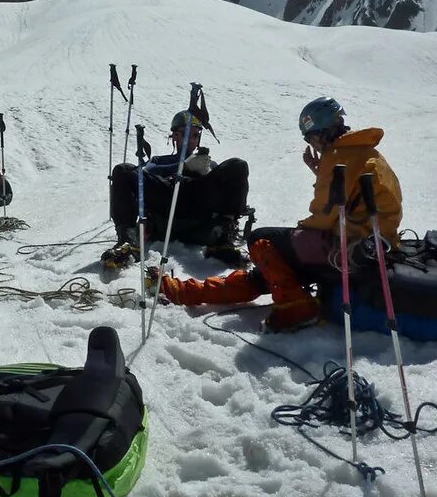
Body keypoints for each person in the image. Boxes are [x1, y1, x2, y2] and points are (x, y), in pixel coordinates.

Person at [152, 96, 403, 332]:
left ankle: (297, 308)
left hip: (349, 247)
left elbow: (323, 216)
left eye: (311, 138)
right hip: (374, 245)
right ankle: (183, 292)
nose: (312, 145)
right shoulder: (364, 151)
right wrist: (320, 171)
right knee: (265, 273)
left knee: (262, 241)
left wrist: (300, 231)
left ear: (321, 132)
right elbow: (348, 199)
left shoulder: (339, 155)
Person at [108, 109, 251, 265]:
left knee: (238, 166)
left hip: (197, 202)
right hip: (166, 200)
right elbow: (146, 172)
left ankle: (223, 237)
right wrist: (182, 165)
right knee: (123, 170)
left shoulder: (207, 163)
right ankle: (127, 239)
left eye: (196, 135)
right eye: (187, 134)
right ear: (175, 135)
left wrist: (205, 172)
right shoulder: (159, 160)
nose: (191, 139)